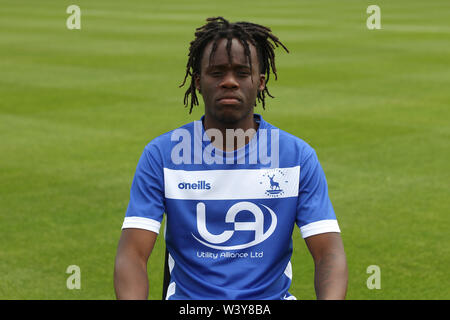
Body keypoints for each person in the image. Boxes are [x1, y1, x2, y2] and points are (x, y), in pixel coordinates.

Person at [114, 17, 348, 300]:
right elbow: (132, 255)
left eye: (241, 72)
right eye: (217, 73)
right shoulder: (162, 155)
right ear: (198, 82)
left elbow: (329, 254)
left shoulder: (296, 157)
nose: (229, 82)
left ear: (260, 82)